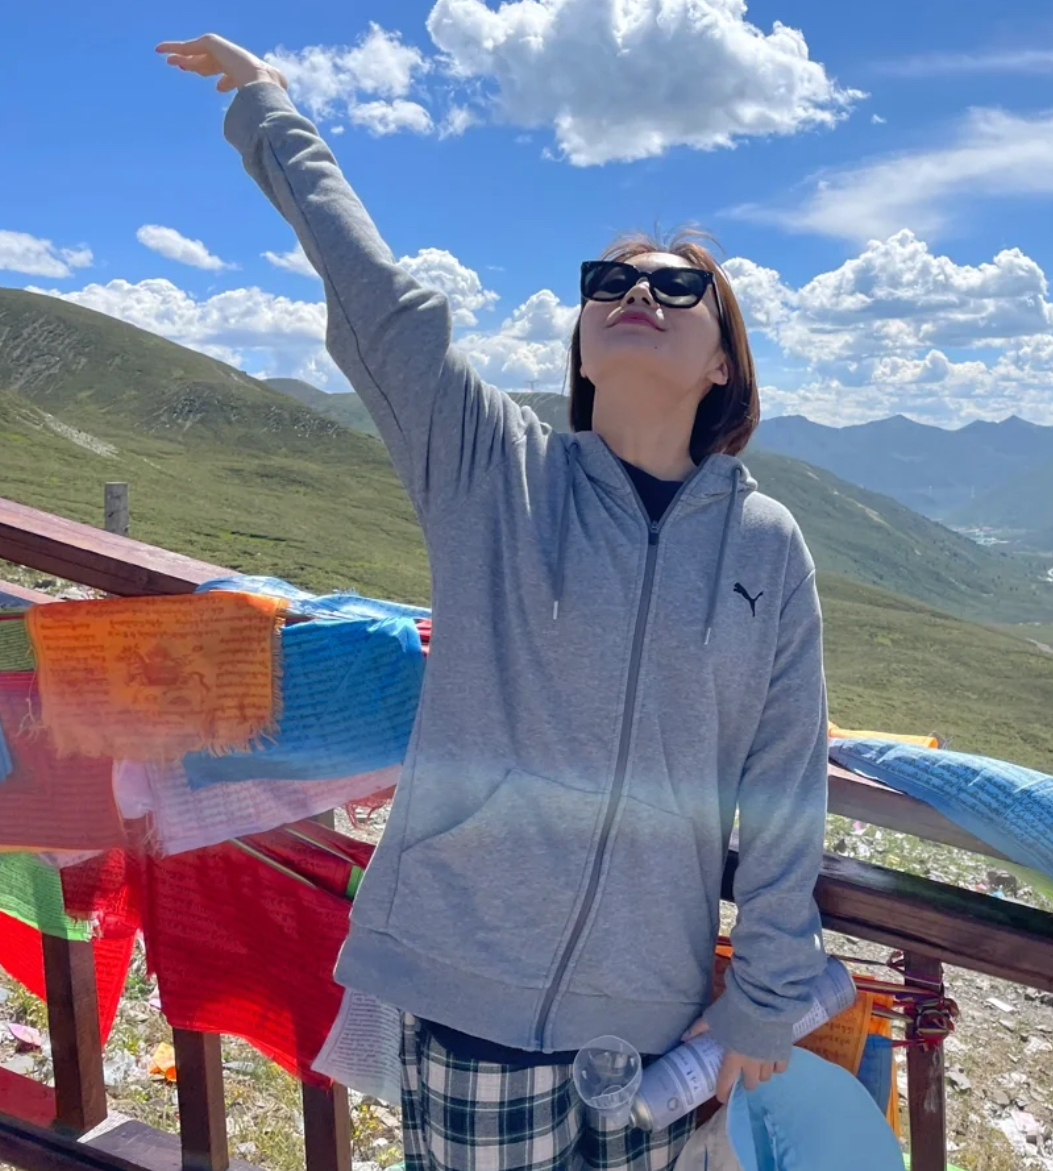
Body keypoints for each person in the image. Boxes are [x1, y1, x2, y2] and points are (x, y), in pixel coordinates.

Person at [159, 34, 830, 1171]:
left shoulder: (767, 546)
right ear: (581, 340)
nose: (637, 292)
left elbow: (784, 783)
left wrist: (763, 1001)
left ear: (725, 361)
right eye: (608, 281)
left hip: (656, 1019)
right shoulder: (495, 469)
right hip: (470, 993)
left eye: (679, 287)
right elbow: (380, 304)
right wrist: (272, 109)